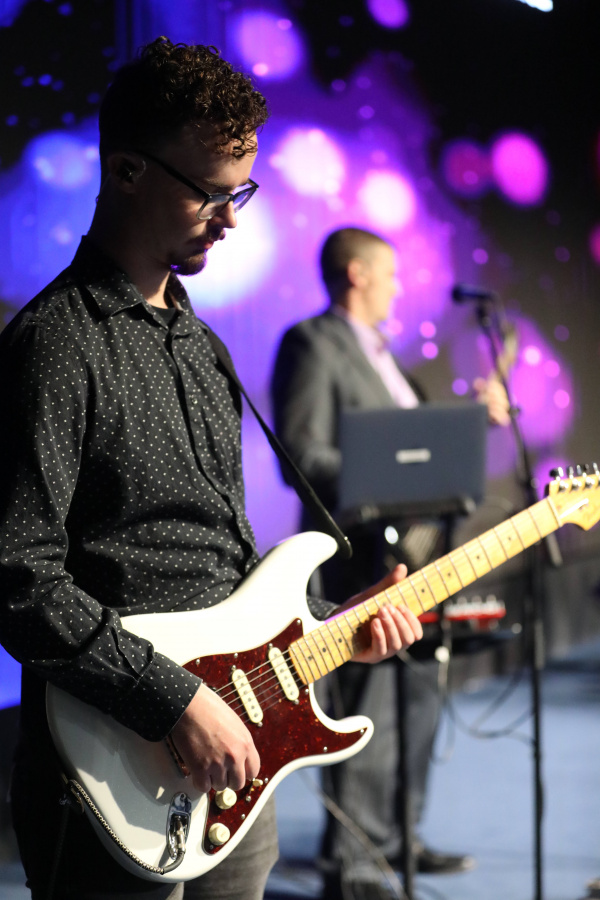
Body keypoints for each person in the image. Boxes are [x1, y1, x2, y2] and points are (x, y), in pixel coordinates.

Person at [0, 42, 424, 900]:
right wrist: (174, 701)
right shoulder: (55, 344)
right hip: (112, 766)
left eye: (242, 192)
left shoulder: (205, 348)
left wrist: (336, 623)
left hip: (238, 765)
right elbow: (17, 577)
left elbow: (222, 570)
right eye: (210, 192)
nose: (231, 218)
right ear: (125, 171)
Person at [271, 226, 510, 900]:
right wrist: (390, 471)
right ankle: (352, 862)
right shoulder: (313, 343)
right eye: (391, 275)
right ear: (357, 273)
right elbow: (303, 456)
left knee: (419, 694)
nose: (398, 288)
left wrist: (473, 425)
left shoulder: (387, 361)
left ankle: (401, 837)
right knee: (369, 706)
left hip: (420, 553)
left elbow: (420, 447)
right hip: (359, 559)